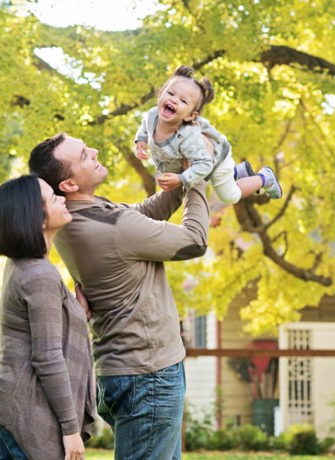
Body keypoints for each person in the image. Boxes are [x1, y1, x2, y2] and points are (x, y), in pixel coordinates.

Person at [29, 134, 209, 460]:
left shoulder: (76, 215)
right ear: (68, 184)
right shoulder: (110, 228)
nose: (94, 150)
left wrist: (182, 178)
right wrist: (197, 176)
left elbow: (142, 214)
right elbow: (195, 240)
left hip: (127, 370)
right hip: (148, 375)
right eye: (84, 155)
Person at [0, 175, 96, 460]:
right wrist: (70, 430)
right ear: (38, 219)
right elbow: (47, 356)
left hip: (11, 402)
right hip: (28, 411)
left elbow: (38, 328)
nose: (61, 197)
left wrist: (76, 313)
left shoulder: (24, 266)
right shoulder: (39, 275)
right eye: (51, 197)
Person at [135, 65, 282, 202]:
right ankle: (239, 172)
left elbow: (205, 164)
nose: (174, 100)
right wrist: (141, 139)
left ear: (190, 116)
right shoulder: (152, 115)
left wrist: (182, 179)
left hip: (215, 160)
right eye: (171, 93)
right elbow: (145, 125)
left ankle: (264, 178)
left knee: (229, 197)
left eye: (183, 101)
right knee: (223, 182)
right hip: (198, 157)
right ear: (160, 94)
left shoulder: (186, 137)